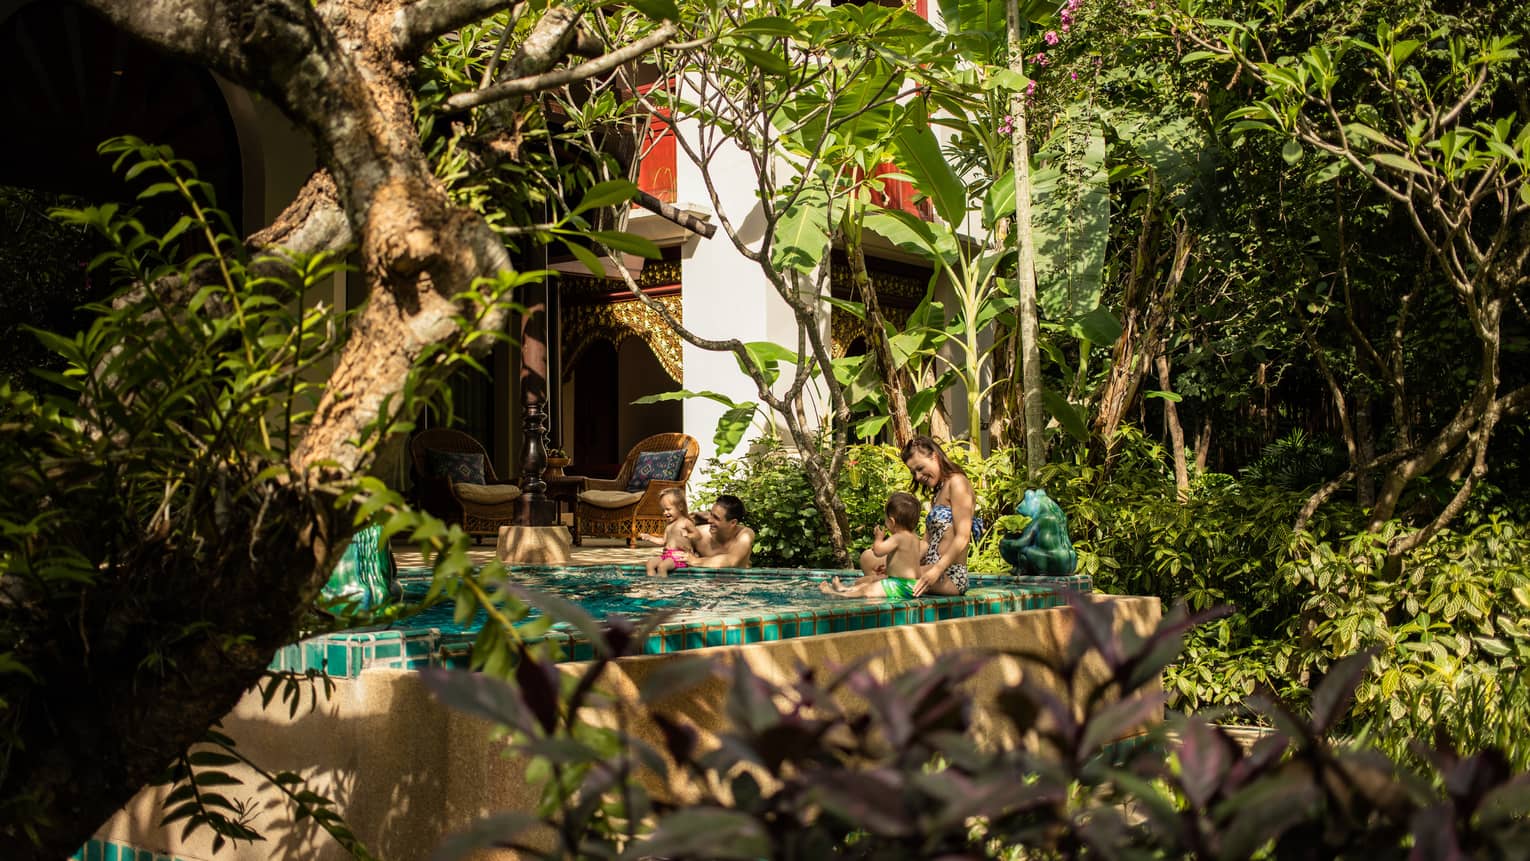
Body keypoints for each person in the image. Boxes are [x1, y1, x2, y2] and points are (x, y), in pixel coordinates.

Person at [859, 435, 984, 597]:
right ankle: (890, 589)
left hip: (948, 572)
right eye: (913, 472)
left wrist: (936, 570)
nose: (917, 477)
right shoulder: (938, 492)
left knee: (866, 583)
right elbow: (925, 542)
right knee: (868, 558)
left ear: (934, 456)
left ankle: (889, 601)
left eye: (920, 468)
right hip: (928, 565)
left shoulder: (958, 483)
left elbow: (962, 537)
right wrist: (901, 561)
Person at [820, 492, 923, 600]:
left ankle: (837, 594)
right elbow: (904, 561)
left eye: (886, 519)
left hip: (899, 585)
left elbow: (878, 552)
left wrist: (878, 538)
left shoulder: (898, 537)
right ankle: (844, 589)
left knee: (867, 591)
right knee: (867, 585)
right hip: (912, 585)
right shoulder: (914, 537)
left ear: (892, 521)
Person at [683, 494, 755, 568]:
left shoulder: (745, 535)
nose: (709, 520)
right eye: (711, 515)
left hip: (739, 579)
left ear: (733, 523)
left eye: (716, 518)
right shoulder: (700, 535)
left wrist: (696, 561)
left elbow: (732, 561)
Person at [643, 488, 695, 577]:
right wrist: (650, 537)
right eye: (663, 510)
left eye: (668, 509)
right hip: (667, 555)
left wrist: (688, 535)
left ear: (680, 507)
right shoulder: (669, 525)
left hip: (679, 556)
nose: (665, 512)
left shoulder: (685, 522)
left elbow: (697, 535)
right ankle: (651, 584)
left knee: (662, 567)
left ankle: (663, 587)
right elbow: (663, 541)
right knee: (650, 563)